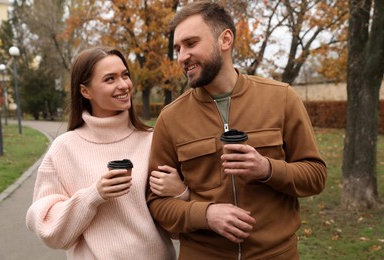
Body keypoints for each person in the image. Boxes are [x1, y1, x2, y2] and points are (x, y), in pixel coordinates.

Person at [146, 1, 327, 259]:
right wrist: (205, 214)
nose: (182, 56)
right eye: (177, 48)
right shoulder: (170, 118)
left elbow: (316, 176)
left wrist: (266, 168)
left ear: (225, 40)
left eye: (191, 43)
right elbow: (157, 204)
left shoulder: (282, 98)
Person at [26, 46, 183, 259]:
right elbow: (51, 232)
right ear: (85, 91)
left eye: (125, 75)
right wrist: (94, 195)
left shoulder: (152, 139)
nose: (123, 85)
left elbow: (178, 229)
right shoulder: (64, 149)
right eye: (110, 79)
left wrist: (181, 192)